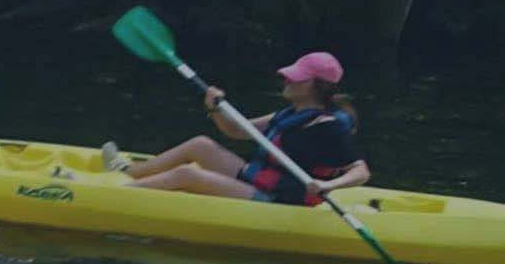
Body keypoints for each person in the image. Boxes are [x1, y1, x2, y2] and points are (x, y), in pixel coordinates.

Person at [100, 51, 370, 204]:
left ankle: (111, 198)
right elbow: (236, 131)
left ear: (313, 85)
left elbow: (360, 171)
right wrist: (214, 108)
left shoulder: (328, 127)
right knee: (201, 145)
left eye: (294, 77)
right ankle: (131, 172)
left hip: (282, 199)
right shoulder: (292, 113)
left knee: (188, 175)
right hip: (261, 180)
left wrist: (327, 185)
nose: (285, 79)